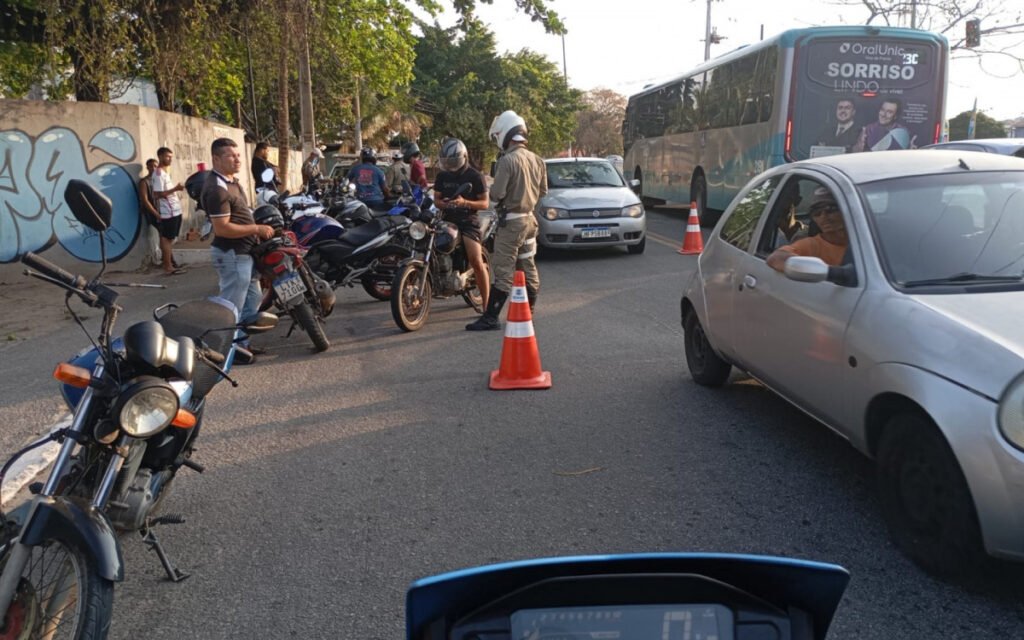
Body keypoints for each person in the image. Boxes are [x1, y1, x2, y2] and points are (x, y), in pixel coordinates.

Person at [466, 110, 546, 331]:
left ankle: (491, 317)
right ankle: (529, 311)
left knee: (503, 270)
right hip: (530, 221)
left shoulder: (508, 160)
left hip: (511, 224)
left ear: (505, 134)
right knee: (528, 265)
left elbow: (497, 195)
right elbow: (543, 191)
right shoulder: (537, 159)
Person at [200, 137, 277, 361]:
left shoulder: (232, 182)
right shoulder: (217, 188)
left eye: (238, 155)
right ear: (216, 158)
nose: (237, 159)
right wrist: (256, 228)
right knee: (231, 308)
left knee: (251, 303)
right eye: (230, 156)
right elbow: (222, 229)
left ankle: (241, 345)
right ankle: (222, 353)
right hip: (232, 255)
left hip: (245, 253)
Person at [433, 137, 491, 315]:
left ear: (462, 157)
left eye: (453, 160)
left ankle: (487, 307)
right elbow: (436, 199)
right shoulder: (442, 175)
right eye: (447, 161)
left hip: (468, 222)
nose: (450, 164)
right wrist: (444, 204)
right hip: (446, 220)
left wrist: (465, 202)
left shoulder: (474, 176)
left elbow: (485, 204)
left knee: (476, 260)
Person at [767, 187, 847, 272]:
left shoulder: (860, 240)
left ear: (845, 211)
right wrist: (830, 273)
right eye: (817, 213)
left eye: (830, 210)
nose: (823, 217)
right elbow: (775, 258)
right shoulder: (812, 245)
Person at [151, 146, 186, 275]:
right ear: (160, 157)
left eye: (171, 157)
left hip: (174, 210)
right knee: (166, 239)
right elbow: (157, 194)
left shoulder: (165, 172)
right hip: (168, 212)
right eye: (167, 156)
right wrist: (175, 189)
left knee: (170, 239)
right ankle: (168, 266)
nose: (170, 159)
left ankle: (170, 264)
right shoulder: (159, 173)